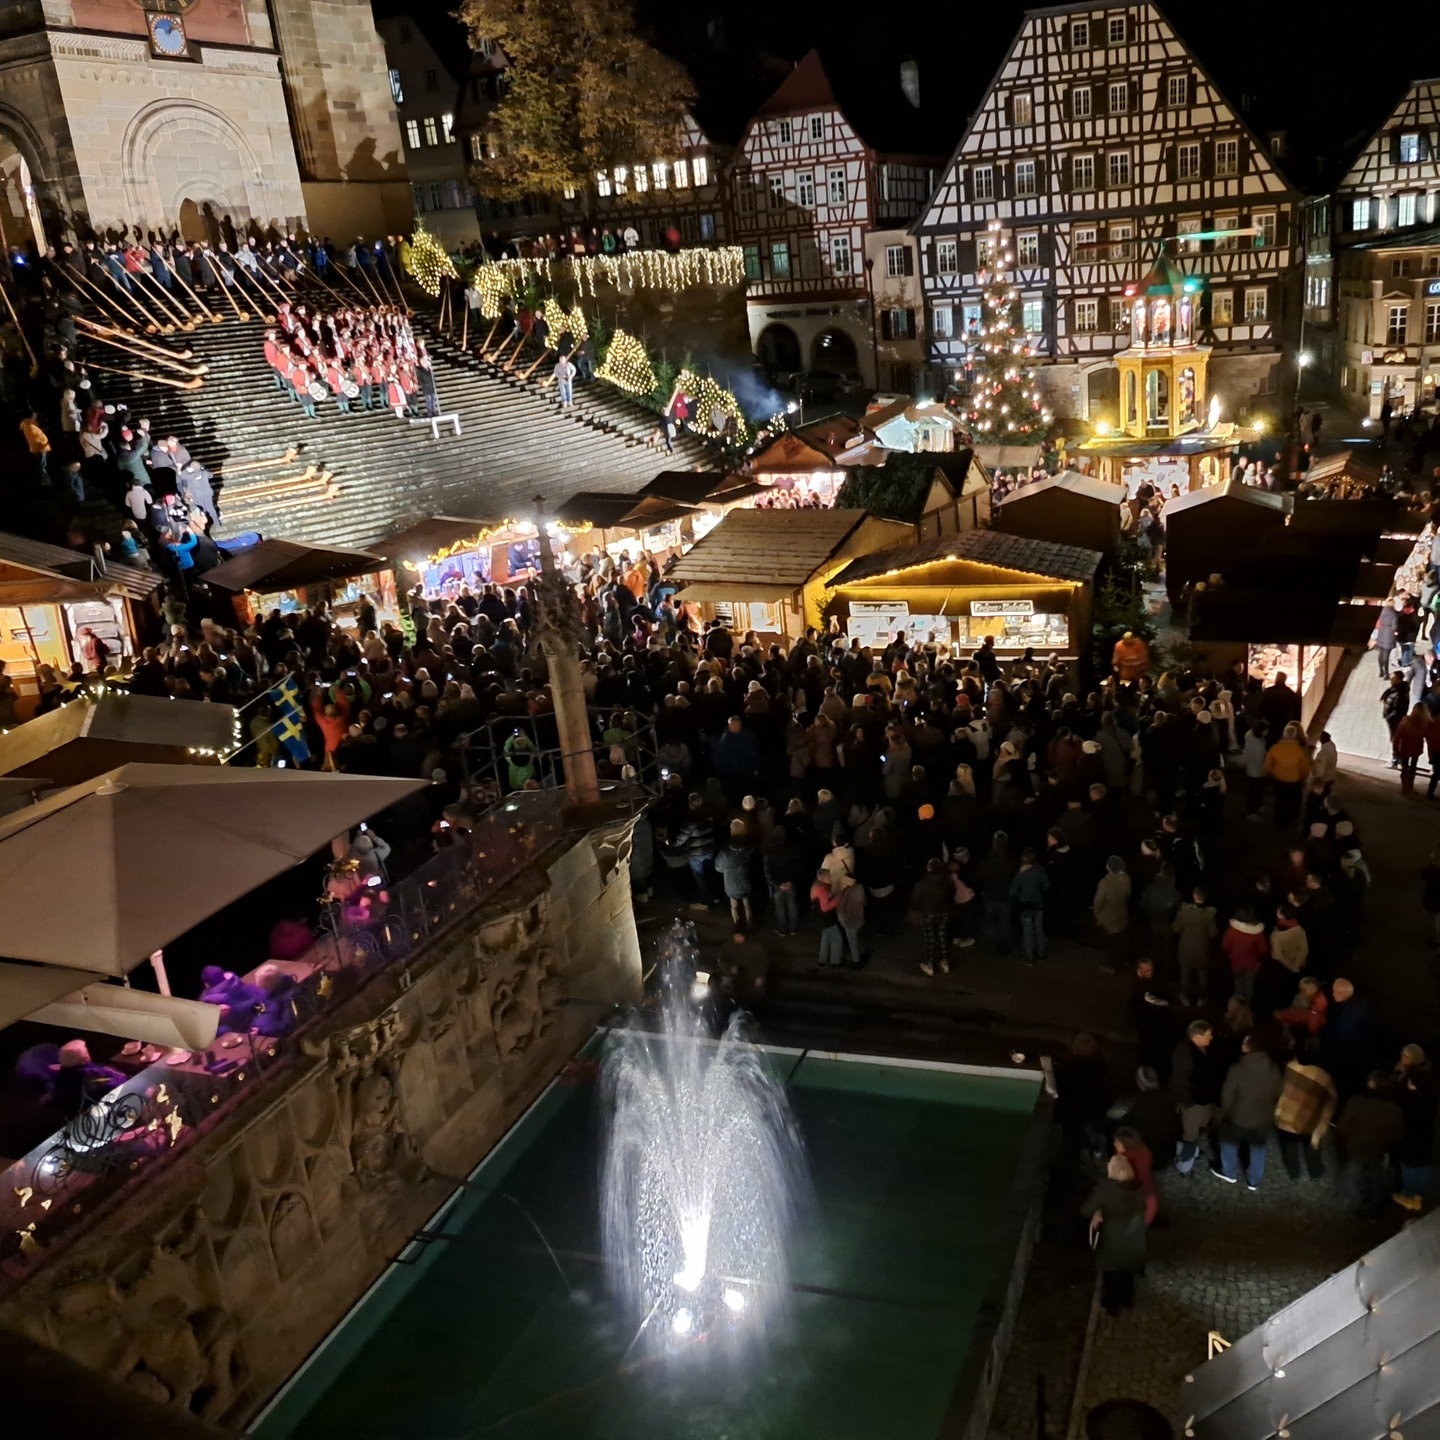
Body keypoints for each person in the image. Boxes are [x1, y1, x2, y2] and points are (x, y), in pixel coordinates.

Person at [1213, 1031, 1283, 1190]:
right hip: (1263, 1117)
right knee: (1258, 1148)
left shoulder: (1237, 1068)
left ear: (1248, 1047)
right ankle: (1254, 1180)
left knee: (1229, 1142)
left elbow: (1227, 1094)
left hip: (1238, 1117)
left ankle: (1229, 1172)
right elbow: (1279, 1091)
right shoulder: (1273, 1067)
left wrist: (1225, 1112)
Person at [1081, 1153, 1147, 1315]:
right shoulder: (1138, 1189)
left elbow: (1085, 1210)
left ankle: (1113, 1305)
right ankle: (1127, 1298)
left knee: (1112, 1276)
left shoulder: (1104, 1191)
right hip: (1134, 1240)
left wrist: (1098, 1212)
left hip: (1113, 1242)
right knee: (1127, 1273)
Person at [1336, 1070, 1404, 1217]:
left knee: (1355, 1178)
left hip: (1355, 1149)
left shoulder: (1356, 1102)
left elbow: (1342, 1128)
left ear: (1370, 1085)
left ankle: (1357, 1207)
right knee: (1376, 1178)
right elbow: (1396, 1136)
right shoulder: (1394, 1109)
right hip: (1378, 1151)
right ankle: (1373, 1208)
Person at [1274, 1051, 1337, 1181]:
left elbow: (1283, 1087)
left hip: (1287, 1115)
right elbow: (1330, 1100)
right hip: (1309, 1120)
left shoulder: (1291, 1067)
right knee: (1311, 1148)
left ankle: (1294, 1173)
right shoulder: (1324, 1077)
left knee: (1290, 1148)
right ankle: (1315, 1171)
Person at [1170, 1019, 1220, 1175]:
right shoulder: (1185, 1054)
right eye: (1208, 1035)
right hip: (1192, 1103)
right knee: (1190, 1137)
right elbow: (1180, 1081)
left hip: (1200, 1101)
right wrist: (1187, 1103)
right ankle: (1184, 1165)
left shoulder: (1199, 1049)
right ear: (1197, 1036)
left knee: (1195, 1133)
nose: (1211, 1038)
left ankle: (1190, 1157)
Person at [1392, 1043, 1436, 1210]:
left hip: (1413, 1129)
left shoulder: (1415, 1081)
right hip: (1423, 1130)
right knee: (1421, 1162)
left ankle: (1409, 1195)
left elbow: (1411, 1104)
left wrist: (1409, 1093)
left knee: (1410, 1164)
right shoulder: (1424, 1074)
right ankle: (1416, 1195)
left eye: (1407, 1057)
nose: (1403, 1059)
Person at [1173, 885, 1217, 1007]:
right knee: (1202, 975)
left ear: (1194, 896)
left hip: (1185, 948)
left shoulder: (1184, 913)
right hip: (1201, 949)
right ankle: (1201, 999)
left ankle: (1184, 997)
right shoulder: (1208, 915)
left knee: (1185, 975)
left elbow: (1176, 928)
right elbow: (1213, 933)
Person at [1009, 846, 1051, 963]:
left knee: (1028, 932)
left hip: (1025, 905)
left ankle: (1029, 957)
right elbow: (1047, 886)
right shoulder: (1040, 870)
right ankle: (1041, 954)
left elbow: (1012, 891)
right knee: (1039, 929)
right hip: (1038, 904)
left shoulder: (1020, 873)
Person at [1264, 723, 1311, 827]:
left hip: (1279, 780)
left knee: (1279, 800)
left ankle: (1278, 821)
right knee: (1290, 801)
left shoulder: (1275, 748)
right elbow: (1305, 768)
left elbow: (1267, 765)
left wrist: (1271, 773)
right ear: (1295, 736)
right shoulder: (1300, 751)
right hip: (1294, 781)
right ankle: (1288, 821)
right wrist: (1303, 778)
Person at [1092, 855, 1132, 973]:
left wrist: (1097, 914)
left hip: (1108, 916)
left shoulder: (1105, 883)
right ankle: (1123, 961)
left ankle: (1110, 965)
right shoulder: (1126, 879)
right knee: (1120, 940)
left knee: (1110, 943)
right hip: (1122, 914)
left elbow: (1098, 901)